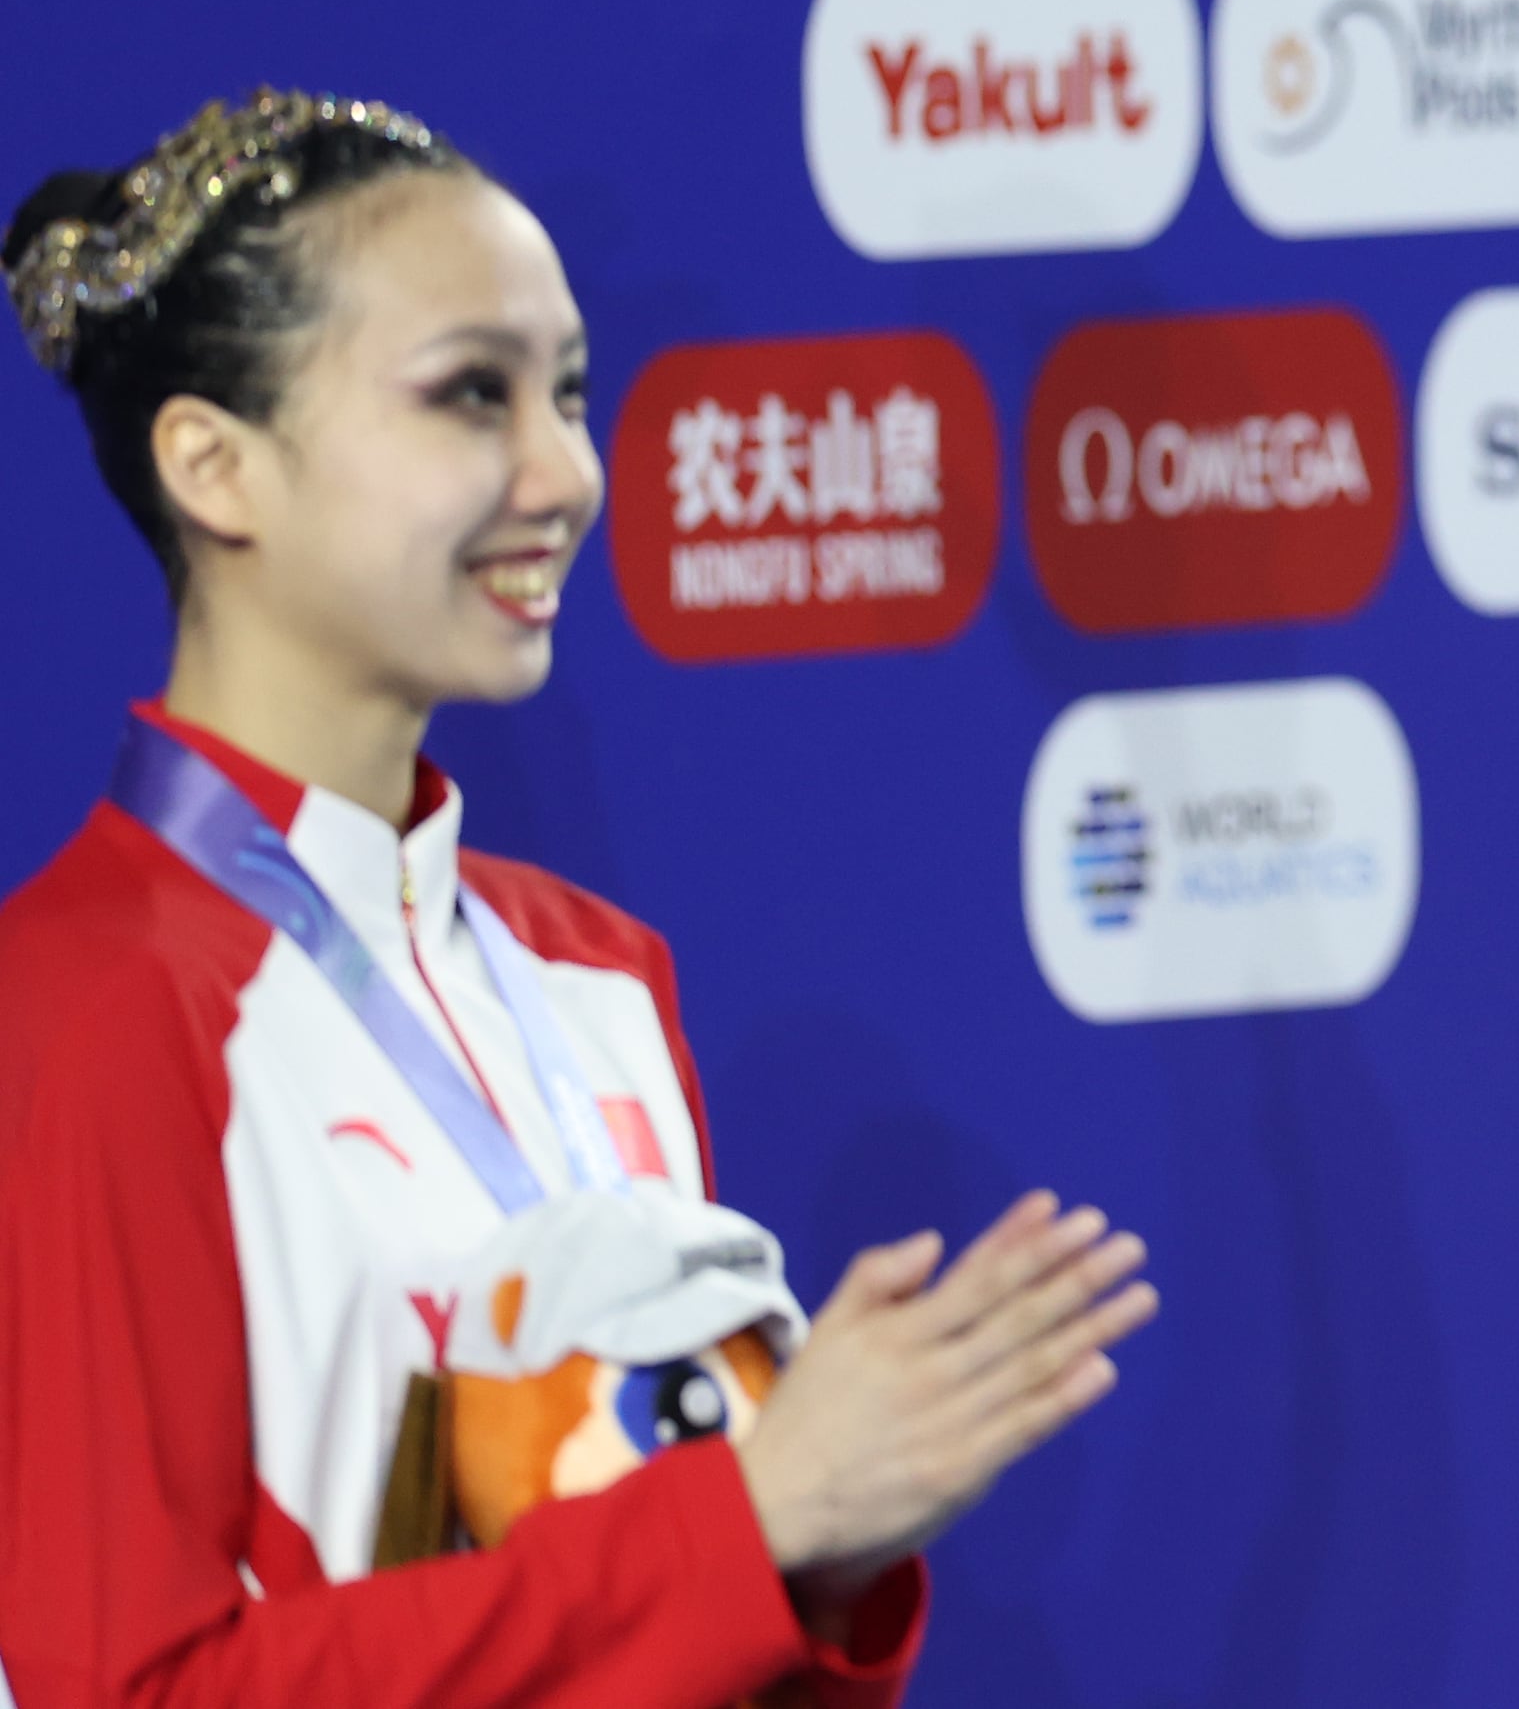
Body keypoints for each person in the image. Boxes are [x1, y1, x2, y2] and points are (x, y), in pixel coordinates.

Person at [0, 94, 1161, 1709]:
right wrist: (750, 1518)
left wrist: (816, 1546)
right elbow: (126, 1688)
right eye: (472, 394)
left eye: (570, 392)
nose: (567, 472)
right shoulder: (83, 1013)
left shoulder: (596, 977)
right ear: (215, 464)